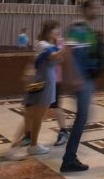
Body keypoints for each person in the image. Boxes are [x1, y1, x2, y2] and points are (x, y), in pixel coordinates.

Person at [8, 20, 65, 160]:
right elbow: (55, 56)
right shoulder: (43, 44)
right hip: (41, 82)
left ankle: (32, 145)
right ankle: (17, 147)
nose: (57, 33)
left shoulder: (49, 45)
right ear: (48, 32)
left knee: (36, 116)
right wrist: (68, 46)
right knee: (32, 115)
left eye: (58, 30)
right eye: (55, 30)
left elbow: (58, 58)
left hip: (46, 81)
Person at [61, 0, 102, 173]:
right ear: (85, 9)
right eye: (94, 8)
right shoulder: (77, 29)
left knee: (84, 117)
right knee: (82, 117)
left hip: (87, 78)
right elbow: (67, 53)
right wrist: (73, 77)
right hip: (81, 79)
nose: (97, 11)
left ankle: (69, 155)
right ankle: (69, 158)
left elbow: (91, 54)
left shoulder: (89, 30)